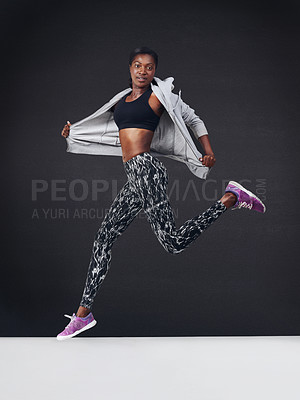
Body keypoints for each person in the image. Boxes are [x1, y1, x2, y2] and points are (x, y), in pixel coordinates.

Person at [57, 47, 266, 340]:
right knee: (104, 238)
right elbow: (102, 131)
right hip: (134, 174)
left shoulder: (158, 97)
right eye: (138, 65)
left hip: (147, 170)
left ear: (155, 71)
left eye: (149, 67)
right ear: (130, 68)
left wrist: (207, 151)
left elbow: (193, 120)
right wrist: (74, 134)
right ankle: (83, 315)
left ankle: (230, 197)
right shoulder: (120, 101)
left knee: (173, 243)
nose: (143, 71)